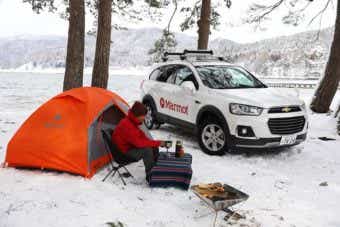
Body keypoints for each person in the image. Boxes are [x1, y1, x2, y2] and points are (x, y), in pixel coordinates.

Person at [111, 101, 165, 181]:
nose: (144, 118)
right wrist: (158, 143)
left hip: (129, 147)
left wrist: (156, 143)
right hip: (123, 153)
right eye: (143, 116)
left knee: (152, 146)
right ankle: (150, 176)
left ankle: (155, 169)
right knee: (147, 150)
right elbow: (139, 143)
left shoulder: (132, 122)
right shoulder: (127, 125)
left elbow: (142, 137)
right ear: (137, 115)